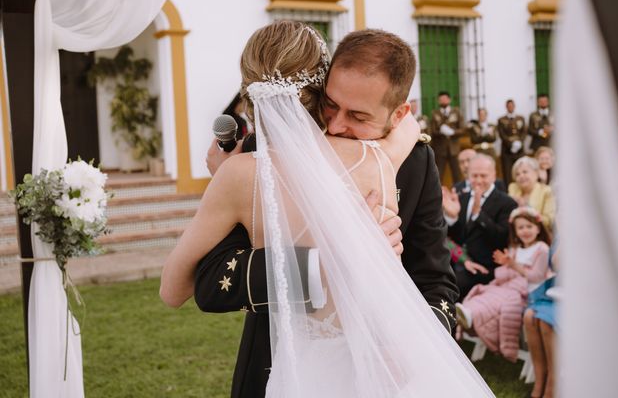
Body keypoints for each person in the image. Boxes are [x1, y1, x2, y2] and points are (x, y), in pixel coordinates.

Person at [163, 23, 488, 397]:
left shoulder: (414, 160)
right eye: (331, 105)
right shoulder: (255, 155)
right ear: (319, 89)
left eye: (359, 116)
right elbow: (209, 283)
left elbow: (435, 281)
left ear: (398, 115)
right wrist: (324, 265)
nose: (336, 124)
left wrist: (408, 350)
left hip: (385, 369)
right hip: (271, 365)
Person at [455, 206, 551, 362]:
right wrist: (505, 266)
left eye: (529, 226)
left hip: (528, 291)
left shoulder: (542, 249)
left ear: (538, 228)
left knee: (500, 300)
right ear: (515, 230)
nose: (525, 231)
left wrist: (513, 266)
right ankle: (469, 312)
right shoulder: (515, 249)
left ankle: (471, 315)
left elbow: (536, 276)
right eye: (521, 227)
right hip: (508, 285)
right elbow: (507, 273)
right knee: (488, 293)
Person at [442, 154, 518, 299]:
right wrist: (452, 217)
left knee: (449, 290)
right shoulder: (461, 198)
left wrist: (478, 214)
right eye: (474, 176)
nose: (478, 181)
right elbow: (457, 237)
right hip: (459, 262)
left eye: (483, 176)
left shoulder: (507, 203)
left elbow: (501, 238)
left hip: (485, 268)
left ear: (494, 175)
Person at [524, 241, 559, 398]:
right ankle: (540, 379)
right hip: (557, 289)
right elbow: (555, 266)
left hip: (580, 297)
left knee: (546, 322)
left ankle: (553, 380)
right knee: (529, 316)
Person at [508, 156, 556, 229]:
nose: (521, 176)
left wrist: (526, 208)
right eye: (517, 174)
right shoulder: (513, 188)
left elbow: (549, 221)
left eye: (525, 172)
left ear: (536, 173)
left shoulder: (546, 191)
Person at [430, 91, 465, 183]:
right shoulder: (435, 113)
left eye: (445, 99)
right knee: (438, 174)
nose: (443, 101)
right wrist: (441, 131)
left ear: (449, 100)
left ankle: (459, 194)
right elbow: (432, 131)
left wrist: (452, 132)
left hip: (454, 148)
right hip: (440, 149)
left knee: (457, 174)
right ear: (438, 101)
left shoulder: (456, 112)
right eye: (441, 99)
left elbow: (462, 129)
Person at [498, 99, 527, 183]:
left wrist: (519, 142)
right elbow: (502, 134)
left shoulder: (521, 118)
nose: (510, 107)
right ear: (506, 107)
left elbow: (524, 132)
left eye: (512, 106)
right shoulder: (501, 120)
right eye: (508, 106)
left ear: (514, 106)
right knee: (507, 173)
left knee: (521, 169)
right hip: (507, 150)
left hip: (520, 150)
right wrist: (511, 144)